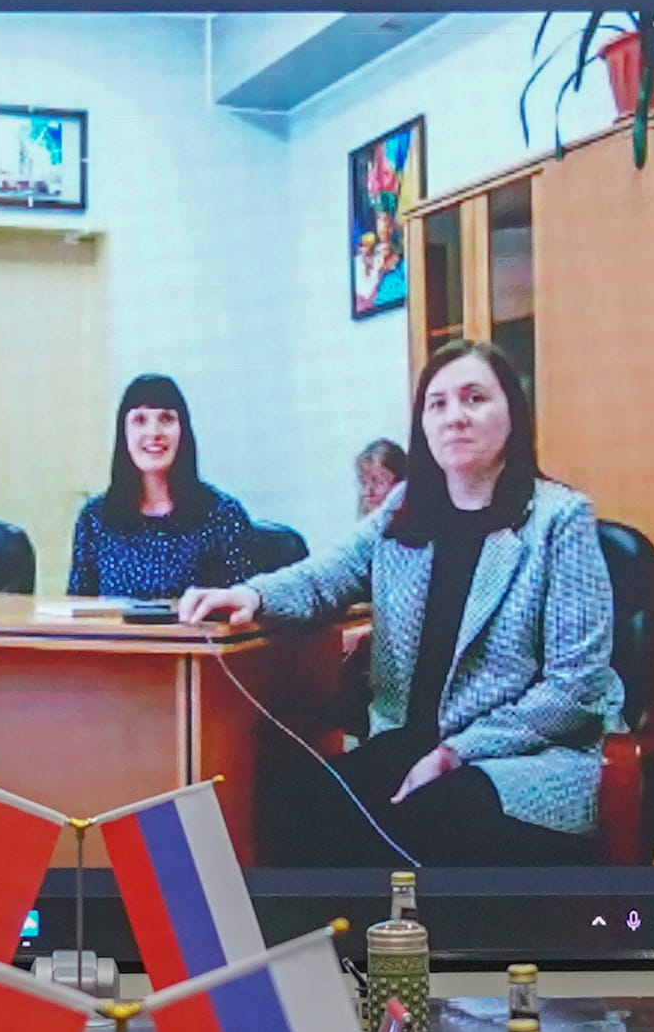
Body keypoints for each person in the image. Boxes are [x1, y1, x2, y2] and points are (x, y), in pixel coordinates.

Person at [187, 338, 623, 864]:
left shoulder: (559, 518)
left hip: (519, 756)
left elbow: (575, 687)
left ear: (512, 412)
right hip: (405, 743)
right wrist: (251, 594)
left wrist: (455, 752)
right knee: (287, 802)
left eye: (474, 398)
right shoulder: (405, 507)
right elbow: (326, 576)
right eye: (437, 404)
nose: (454, 417)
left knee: (431, 819)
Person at [67, 371, 282, 603]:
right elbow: (77, 611)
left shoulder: (224, 515)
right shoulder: (94, 519)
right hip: (115, 630)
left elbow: (243, 608)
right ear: (124, 434)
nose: (154, 433)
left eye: (166, 419)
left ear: (183, 431)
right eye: (140, 420)